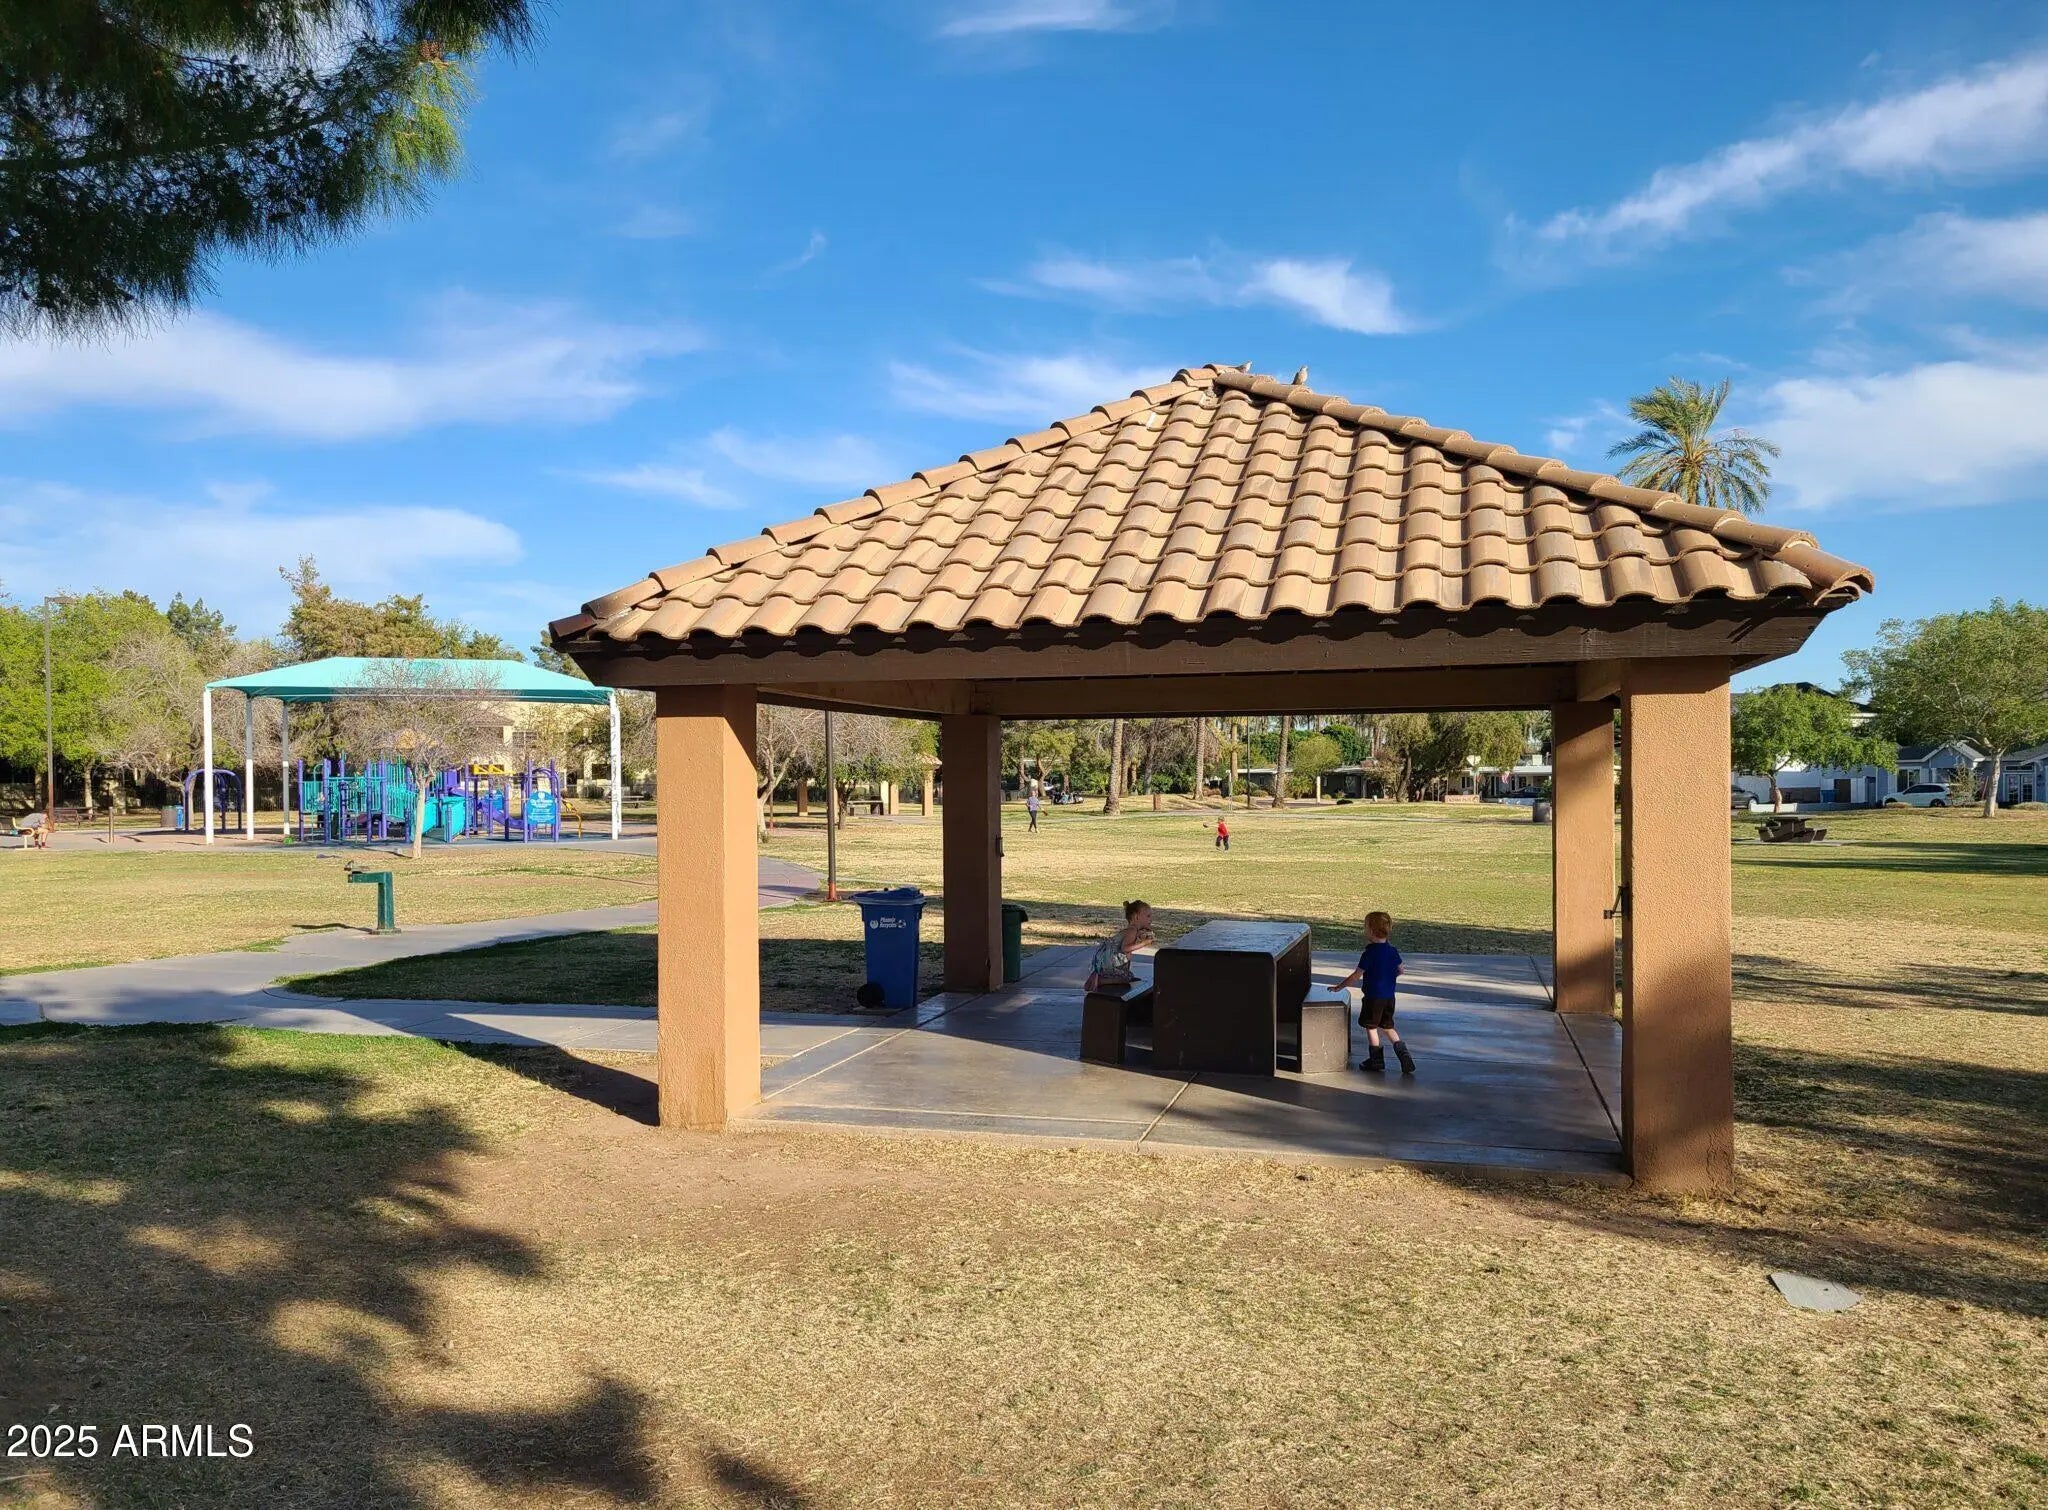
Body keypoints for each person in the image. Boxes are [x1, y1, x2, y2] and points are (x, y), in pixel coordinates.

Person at [1334, 910, 1413, 1074]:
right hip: (1389, 997)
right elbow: (1401, 970)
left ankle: (1376, 1060)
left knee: (1371, 1027)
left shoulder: (1369, 953)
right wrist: (1388, 977)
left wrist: (1339, 987)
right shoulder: (1392, 951)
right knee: (1388, 1027)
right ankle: (1404, 1055)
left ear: (1370, 930)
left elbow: (1356, 976)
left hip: (1373, 998)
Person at [1085, 899, 1154, 992]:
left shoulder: (1132, 930)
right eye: (1148, 916)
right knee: (1125, 979)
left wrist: (1141, 938)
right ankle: (1102, 980)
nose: (1151, 919)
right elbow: (1125, 948)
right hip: (1111, 962)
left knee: (1128, 977)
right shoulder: (1132, 931)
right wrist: (1144, 943)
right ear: (1136, 917)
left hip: (1107, 959)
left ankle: (1102, 977)